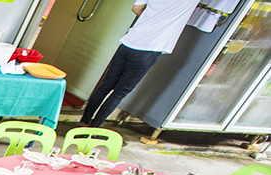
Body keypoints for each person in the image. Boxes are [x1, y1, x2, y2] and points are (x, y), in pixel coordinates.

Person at [81, 0, 198, 128]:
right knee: (119, 93)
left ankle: (84, 122)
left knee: (106, 85)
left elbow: (136, 9)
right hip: (148, 50)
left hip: (128, 43)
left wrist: (151, 20)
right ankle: (93, 130)